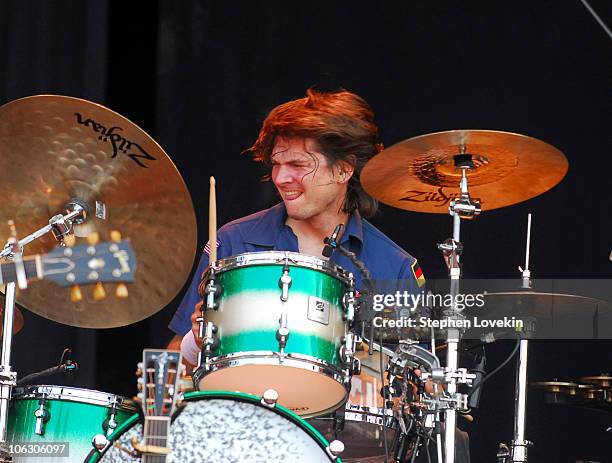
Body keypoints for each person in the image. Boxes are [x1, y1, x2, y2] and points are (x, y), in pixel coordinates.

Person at [167, 88, 425, 359]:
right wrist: (195, 342)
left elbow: (415, 385)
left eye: (298, 164)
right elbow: (173, 367)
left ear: (344, 169)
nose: (280, 178)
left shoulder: (394, 268)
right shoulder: (234, 240)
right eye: (277, 164)